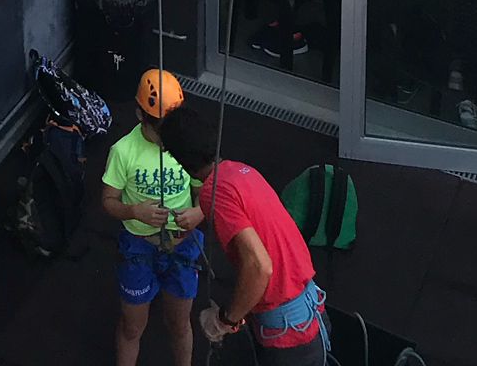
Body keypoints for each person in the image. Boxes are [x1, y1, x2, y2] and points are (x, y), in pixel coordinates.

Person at [158, 105, 330, 362]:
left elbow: (260, 266)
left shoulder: (213, 193)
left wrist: (225, 320)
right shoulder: (239, 171)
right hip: (311, 315)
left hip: (287, 337)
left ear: (179, 159)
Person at [101, 70, 204, 366]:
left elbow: (203, 190)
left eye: (169, 126)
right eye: (158, 127)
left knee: (180, 324)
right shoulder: (123, 151)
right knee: (132, 326)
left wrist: (198, 213)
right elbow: (107, 201)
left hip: (182, 245)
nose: (165, 137)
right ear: (140, 115)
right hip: (139, 245)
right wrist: (134, 211)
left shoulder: (186, 143)